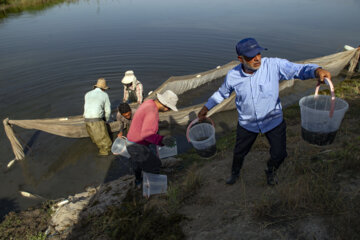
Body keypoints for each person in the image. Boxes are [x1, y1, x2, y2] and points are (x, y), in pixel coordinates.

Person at [197, 37, 331, 186]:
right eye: (251, 56)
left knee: (280, 154)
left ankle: (271, 171)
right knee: (239, 152)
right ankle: (235, 173)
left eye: (259, 54)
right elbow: (221, 93)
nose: (257, 58)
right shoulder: (233, 76)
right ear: (240, 59)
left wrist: (317, 70)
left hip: (273, 121)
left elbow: (297, 69)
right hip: (247, 124)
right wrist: (205, 108)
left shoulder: (273, 66)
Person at [126, 90, 178, 185]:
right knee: (154, 165)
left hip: (130, 141)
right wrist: (162, 140)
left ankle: (138, 181)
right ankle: (153, 186)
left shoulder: (148, 103)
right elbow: (147, 135)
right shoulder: (152, 112)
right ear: (165, 106)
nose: (168, 110)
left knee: (137, 163)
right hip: (138, 145)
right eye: (169, 108)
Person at [83, 78, 112, 156]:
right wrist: (106, 120)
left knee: (95, 138)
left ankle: (96, 143)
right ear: (103, 89)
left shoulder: (87, 94)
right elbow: (108, 111)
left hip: (86, 119)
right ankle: (104, 154)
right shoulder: (104, 95)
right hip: (96, 120)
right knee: (105, 143)